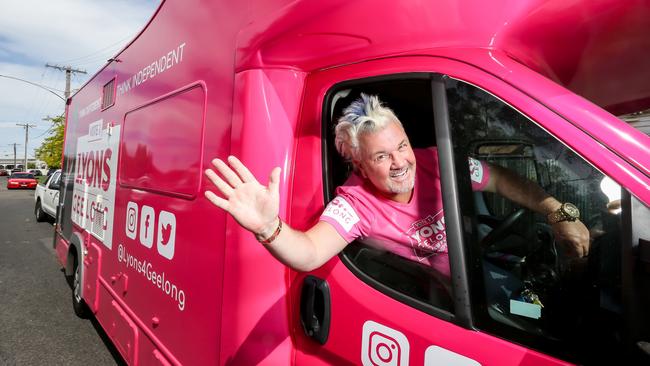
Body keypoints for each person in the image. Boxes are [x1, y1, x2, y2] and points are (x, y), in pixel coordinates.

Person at [204, 94, 590, 279]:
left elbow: (503, 181)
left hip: (481, 268)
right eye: (382, 157)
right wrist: (268, 227)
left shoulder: (436, 162)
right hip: (443, 302)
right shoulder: (355, 204)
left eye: (401, 145)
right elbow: (308, 253)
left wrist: (560, 210)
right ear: (359, 164)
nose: (401, 162)